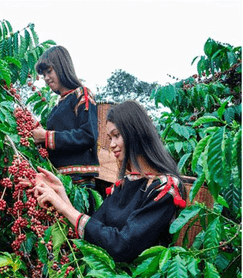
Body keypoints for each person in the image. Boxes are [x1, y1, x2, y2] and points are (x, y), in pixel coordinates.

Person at [32, 100, 187, 263]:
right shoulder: (125, 183)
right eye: (110, 137)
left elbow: (122, 246)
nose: (112, 144)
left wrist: (63, 206)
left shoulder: (164, 188)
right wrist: (61, 194)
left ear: (135, 132)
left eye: (116, 135)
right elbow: (96, 232)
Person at [32, 46, 100, 213]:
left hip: (79, 183)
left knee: (77, 230)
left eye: (49, 71)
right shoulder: (57, 106)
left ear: (62, 67)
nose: (46, 78)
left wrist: (46, 137)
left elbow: (89, 135)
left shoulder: (81, 95)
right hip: (59, 180)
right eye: (43, 75)